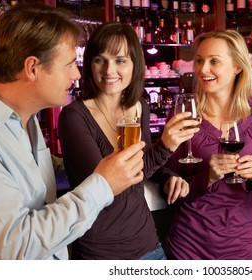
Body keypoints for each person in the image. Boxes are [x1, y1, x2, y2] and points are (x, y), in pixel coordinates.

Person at [0, 3, 146, 260]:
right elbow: (13, 246)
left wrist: (80, 166)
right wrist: (103, 183)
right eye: (70, 64)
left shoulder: (24, 119)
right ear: (33, 68)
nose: (76, 73)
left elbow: (26, 169)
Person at [58, 22, 199, 259]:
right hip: (101, 254)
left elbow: (143, 164)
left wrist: (166, 177)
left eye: (120, 60)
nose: (109, 70)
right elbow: (108, 189)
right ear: (89, 63)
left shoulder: (139, 107)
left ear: (135, 64)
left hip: (149, 245)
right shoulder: (74, 117)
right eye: (99, 60)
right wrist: (165, 147)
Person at [154, 30, 252, 259]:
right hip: (188, 242)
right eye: (199, 60)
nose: (203, 69)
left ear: (238, 66)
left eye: (214, 62)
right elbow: (165, 172)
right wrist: (206, 177)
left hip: (240, 242)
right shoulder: (181, 114)